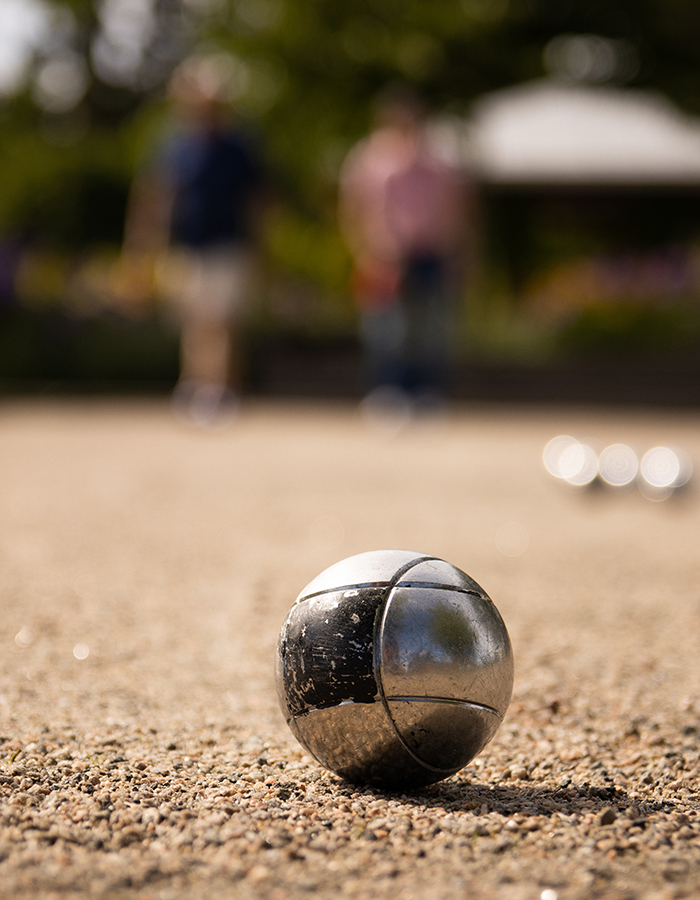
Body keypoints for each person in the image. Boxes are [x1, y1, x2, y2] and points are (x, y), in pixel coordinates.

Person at [123, 55, 264, 425]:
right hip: (186, 245)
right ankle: (198, 385)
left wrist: (262, 249)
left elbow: (256, 203)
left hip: (228, 243)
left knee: (222, 321)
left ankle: (219, 390)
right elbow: (153, 198)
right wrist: (140, 249)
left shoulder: (238, 147)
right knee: (195, 322)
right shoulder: (173, 145)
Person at [339, 86, 470, 412]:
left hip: (430, 254)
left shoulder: (441, 161)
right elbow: (351, 210)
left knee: (431, 329)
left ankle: (426, 393)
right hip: (382, 256)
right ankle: (388, 392)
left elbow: (456, 210)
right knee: (386, 330)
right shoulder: (368, 159)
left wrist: (456, 253)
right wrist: (364, 250)